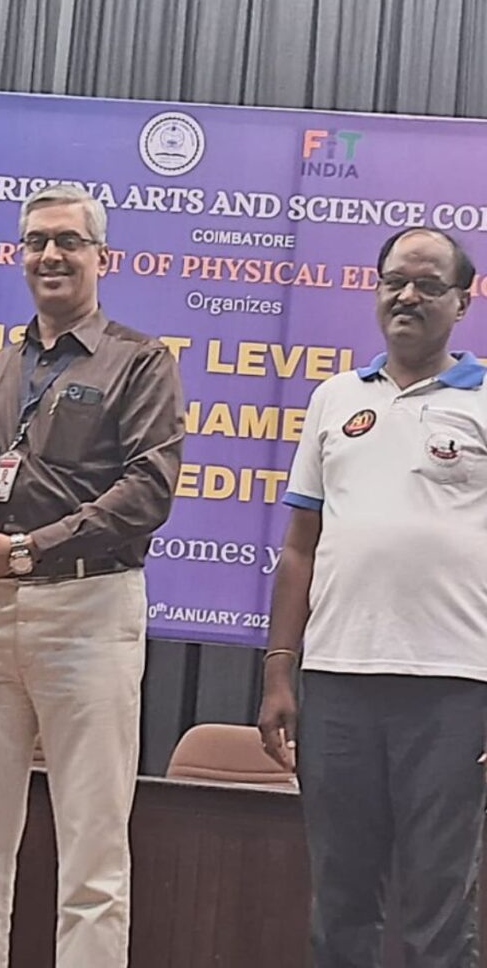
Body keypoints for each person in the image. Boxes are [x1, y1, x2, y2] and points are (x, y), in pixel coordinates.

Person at [0, 183, 184, 968]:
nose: (50, 255)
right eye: (36, 240)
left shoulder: (140, 362)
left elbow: (147, 492)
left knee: (94, 866)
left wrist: (30, 551)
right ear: (19, 254)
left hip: (89, 611)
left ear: (101, 257)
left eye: (68, 240)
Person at [258, 227, 486, 966]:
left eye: (426, 285)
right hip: (338, 684)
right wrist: (278, 672)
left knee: (437, 903)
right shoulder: (334, 398)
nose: (407, 296)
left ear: (463, 299)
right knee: (342, 900)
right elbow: (299, 548)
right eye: (394, 281)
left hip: (455, 687)